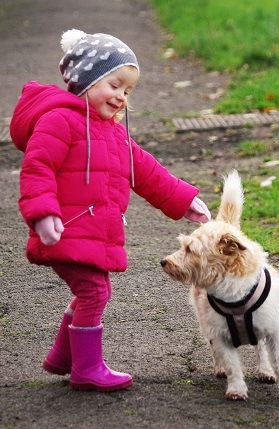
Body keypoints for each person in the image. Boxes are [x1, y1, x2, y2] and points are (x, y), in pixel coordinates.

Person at [10, 29, 211, 392]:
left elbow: (147, 172)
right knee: (95, 293)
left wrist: (184, 199)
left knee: (91, 290)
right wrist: (42, 213)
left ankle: (63, 356)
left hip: (91, 231)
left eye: (127, 90)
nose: (121, 96)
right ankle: (86, 369)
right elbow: (37, 169)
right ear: (85, 79)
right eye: (114, 85)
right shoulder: (59, 121)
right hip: (65, 227)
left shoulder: (112, 132)